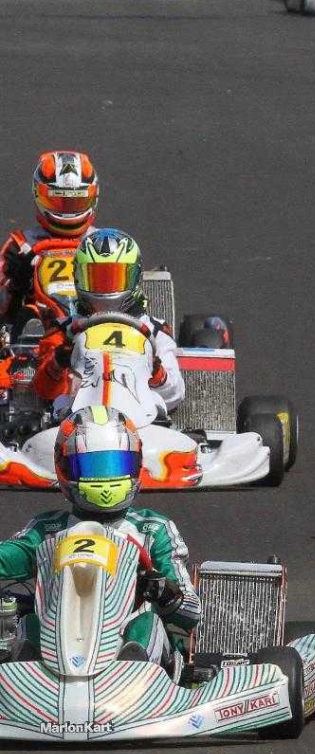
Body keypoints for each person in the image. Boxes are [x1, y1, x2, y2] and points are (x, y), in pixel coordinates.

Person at [0, 406, 200, 667]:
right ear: (64, 468)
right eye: (91, 466)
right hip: (55, 652)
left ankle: (133, 664)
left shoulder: (154, 529)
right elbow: (6, 558)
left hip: (130, 657)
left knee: (148, 622)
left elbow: (192, 613)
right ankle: (25, 674)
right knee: (29, 622)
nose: (106, 481)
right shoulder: (47, 530)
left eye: (117, 465)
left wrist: (165, 592)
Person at [33, 228, 185, 413]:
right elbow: (43, 392)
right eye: (96, 278)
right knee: (61, 403)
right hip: (77, 421)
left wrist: (155, 370)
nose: (106, 288)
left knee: (157, 402)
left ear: (135, 278)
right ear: (78, 278)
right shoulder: (63, 330)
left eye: (114, 278)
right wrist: (57, 363)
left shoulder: (154, 331)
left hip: (140, 421)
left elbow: (174, 394)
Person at [0, 150, 99, 330]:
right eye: (59, 201)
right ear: (38, 194)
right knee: (28, 315)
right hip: (40, 333)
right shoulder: (21, 245)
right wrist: (17, 282)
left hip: (95, 324)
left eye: (76, 201)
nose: (67, 210)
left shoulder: (104, 243)